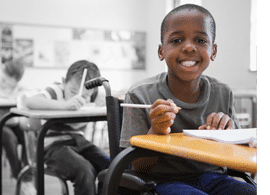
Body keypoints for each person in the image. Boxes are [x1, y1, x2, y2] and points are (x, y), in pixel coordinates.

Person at [120, 4, 256, 195]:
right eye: (176, 40)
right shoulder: (140, 94)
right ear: (161, 51)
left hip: (214, 177)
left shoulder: (223, 92)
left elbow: (245, 157)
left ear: (213, 51)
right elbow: (138, 167)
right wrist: (155, 131)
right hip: (163, 181)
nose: (189, 47)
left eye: (200, 40)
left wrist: (228, 133)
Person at [24, 60, 110, 195]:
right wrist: (64, 105)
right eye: (73, 91)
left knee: (111, 166)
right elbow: (30, 101)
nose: (78, 97)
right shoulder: (57, 90)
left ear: (93, 90)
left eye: (85, 96)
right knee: (85, 171)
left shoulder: (94, 94)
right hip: (52, 146)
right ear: (64, 82)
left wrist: (106, 99)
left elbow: (116, 96)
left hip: (80, 142)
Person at [0, 60, 27, 179]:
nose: (2, 82)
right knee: (10, 138)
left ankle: (27, 170)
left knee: (30, 135)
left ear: (15, 80)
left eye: (6, 80)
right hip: (2, 125)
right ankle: (18, 174)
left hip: (15, 123)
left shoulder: (22, 91)